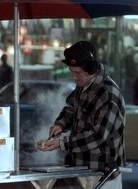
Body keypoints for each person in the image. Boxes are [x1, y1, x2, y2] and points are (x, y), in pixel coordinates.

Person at [37, 41, 126, 189]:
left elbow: (99, 137)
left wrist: (62, 143)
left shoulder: (108, 95)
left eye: (77, 72)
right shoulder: (84, 85)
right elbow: (72, 109)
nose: (74, 77)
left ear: (92, 69)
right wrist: (61, 124)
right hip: (83, 174)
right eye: (72, 71)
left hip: (104, 177)